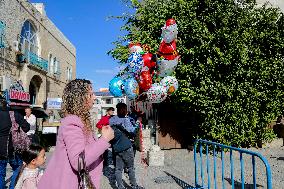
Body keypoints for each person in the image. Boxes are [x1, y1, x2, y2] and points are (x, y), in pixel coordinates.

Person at [38, 79, 114, 189]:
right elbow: (78, 161)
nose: (94, 97)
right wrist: (104, 140)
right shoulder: (72, 122)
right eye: (90, 94)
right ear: (80, 97)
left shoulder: (80, 120)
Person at [109, 103, 142, 189]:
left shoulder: (111, 120)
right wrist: (138, 122)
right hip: (126, 147)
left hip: (116, 147)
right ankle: (134, 186)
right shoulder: (126, 120)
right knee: (130, 167)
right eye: (125, 109)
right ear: (124, 109)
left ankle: (120, 187)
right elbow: (133, 132)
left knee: (118, 169)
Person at [0, 98, 30, 189]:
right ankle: (13, 186)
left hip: (0, 151)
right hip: (12, 149)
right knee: (18, 168)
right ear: (7, 105)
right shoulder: (14, 115)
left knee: (1, 173)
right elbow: (27, 127)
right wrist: (17, 131)